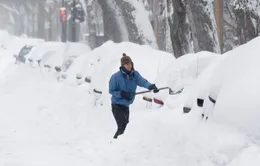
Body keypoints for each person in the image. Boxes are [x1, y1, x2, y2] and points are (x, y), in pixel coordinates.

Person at [109, 53, 159, 139]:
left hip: (126, 105)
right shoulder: (115, 77)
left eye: (130, 63)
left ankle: (121, 144)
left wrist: (151, 86)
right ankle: (114, 143)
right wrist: (122, 94)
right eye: (127, 64)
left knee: (126, 127)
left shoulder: (135, 75)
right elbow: (111, 91)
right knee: (122, 127)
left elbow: (143, 82)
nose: (129, 66)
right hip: (117, 105)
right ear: (123, 65)